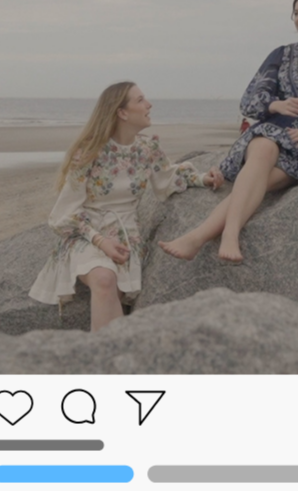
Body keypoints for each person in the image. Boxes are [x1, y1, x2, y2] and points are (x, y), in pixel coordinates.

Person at [160, 0, 298, 265]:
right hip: (268, 133)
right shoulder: (281, 54)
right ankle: (230, 234)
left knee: (257, 183)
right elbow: (249, 100)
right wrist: (276, 105)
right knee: (264, 148)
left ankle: (197, 237)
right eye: (296, 13)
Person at [28, 82, 224, 331]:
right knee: (104, 279)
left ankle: (111, 350)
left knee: (113, 290)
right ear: (122, 112)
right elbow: (62, 214)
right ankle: (111, 353)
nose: (149, 105)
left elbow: (167, 179)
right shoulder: (88, 151)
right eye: (140, 100)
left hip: (126, 235)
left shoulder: (147, 148)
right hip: (87, 235)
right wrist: (100, 241)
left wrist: (205, 178)